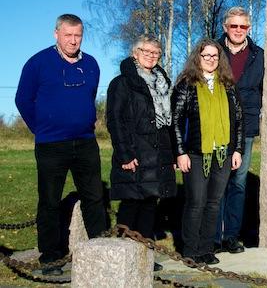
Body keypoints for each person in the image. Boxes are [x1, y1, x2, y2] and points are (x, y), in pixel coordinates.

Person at [15, 14, 107, 276]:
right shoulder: (38, 63)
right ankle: (51, 257)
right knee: (49, 201)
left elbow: (89, 97)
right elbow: (23, 99)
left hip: (86, 143)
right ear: (56, 34)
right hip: (51, 145)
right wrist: (42, 128)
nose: (73, 40)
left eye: (78, 35)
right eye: (67, 35)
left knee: (93, 197)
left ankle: (99, 251)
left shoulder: (91, 64)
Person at [106, 36, 177, 271]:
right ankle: (124, 257)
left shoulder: (162, 82)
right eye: (145, 51)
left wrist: (172, 155)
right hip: (134, 153)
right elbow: (115, 121)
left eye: (156, 52)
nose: (151, 55)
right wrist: (125, 155)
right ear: (134, 53)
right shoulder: (122, 83)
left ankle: (145, 256)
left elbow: (167, 123)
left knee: (149, 204)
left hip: (157, 153)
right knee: (131, 204)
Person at [172, 38, 244, 265]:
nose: (211, 60)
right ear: (198, 58)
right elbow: (175, 121)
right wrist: (180, 152)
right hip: (195, 152)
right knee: (196, 202)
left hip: (223, 153)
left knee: (214, 202)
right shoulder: (187, 84)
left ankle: (206, 248)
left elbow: (239, 120)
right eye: (206, 56)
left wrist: (238, 150)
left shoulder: (228, 85)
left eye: (215, 56)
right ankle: (190, 250)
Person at [216, 6, 264, 253]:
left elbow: (265, 91)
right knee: (216, 181)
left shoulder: (259, 55)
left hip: (245, 127)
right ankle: (213, 237)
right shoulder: (212, 51)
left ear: (249, 29)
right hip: (216, 125)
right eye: (233, 26)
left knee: (238, 182)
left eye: (243, 26)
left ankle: (231, 236)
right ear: (225, 28)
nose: (238, 30)